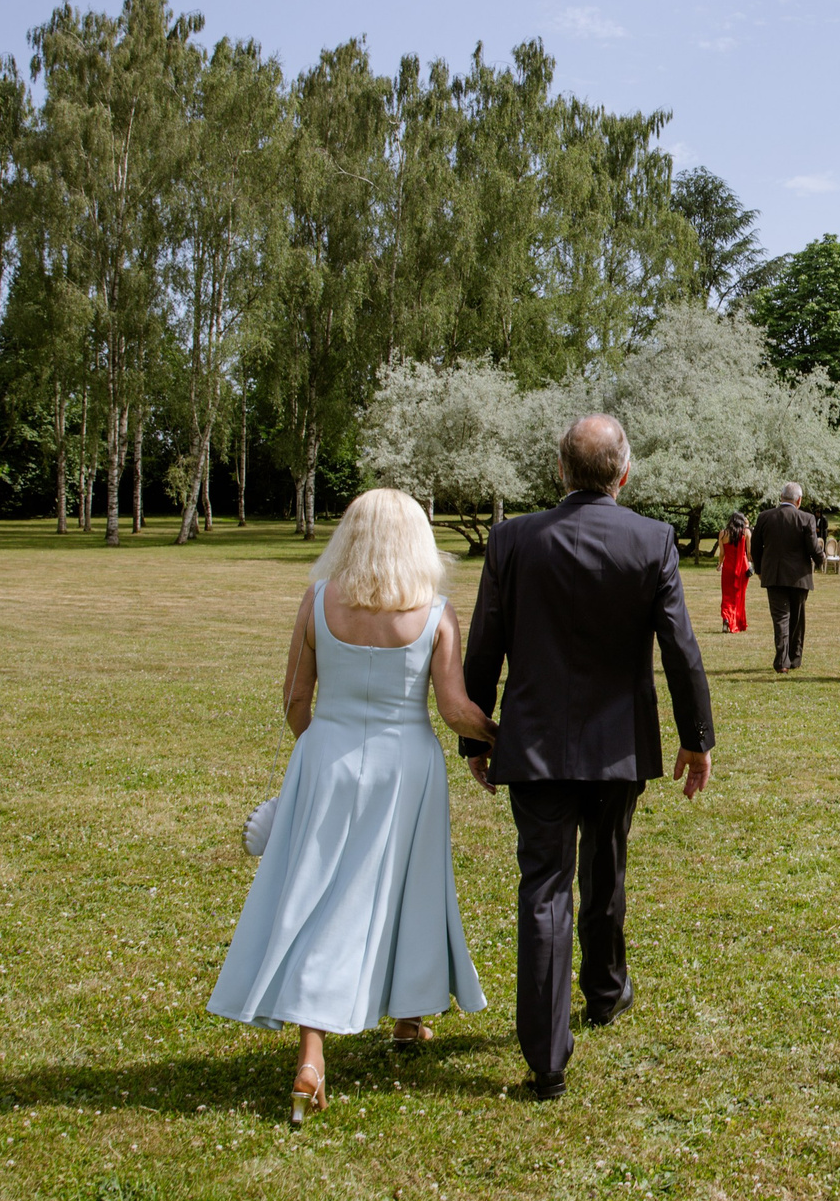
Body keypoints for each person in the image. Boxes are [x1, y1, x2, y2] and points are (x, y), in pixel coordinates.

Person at [209, 488, 495, 1126]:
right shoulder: (436, 612)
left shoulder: (317, 601)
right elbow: (454, 710)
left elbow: (293, 698)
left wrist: (317, 752)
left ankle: (315, 1053)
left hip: (328, 756)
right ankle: (407, 1018)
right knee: (408, 885)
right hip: (407, 765)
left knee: (319, 894)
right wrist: (500, 736)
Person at [460, 415, 715, 1101]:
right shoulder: (651, 539)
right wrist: (697, 738)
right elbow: (681, 648)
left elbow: (485, 641)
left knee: (544, 886)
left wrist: (477, 733)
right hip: (617, 742)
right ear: (623, 473)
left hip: (536, 739)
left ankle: (548, 1055)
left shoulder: (513, 539)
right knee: (605, 868)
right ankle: (604, 991)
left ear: (562, 472)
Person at [751, 483, 823, 674]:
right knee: (797, 619)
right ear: (798, 500)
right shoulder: (806, 518)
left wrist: (759, 570)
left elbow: (755, 547)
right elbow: (813, 548)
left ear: (781, 497)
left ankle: (782, 661)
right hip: (799, 577)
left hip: (773, 575)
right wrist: (821, 560)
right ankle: (795, 657)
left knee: (780, 619)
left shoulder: (765, 517)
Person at [717, 511, 751, 633]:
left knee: (727, 595)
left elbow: (722, 553)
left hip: (728, 567)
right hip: (742, 568)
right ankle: (737, 622)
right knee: (739, 595)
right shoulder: (746, 533)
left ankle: (726, 618)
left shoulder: (723, 533)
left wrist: (720, 563)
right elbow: (749, 553)